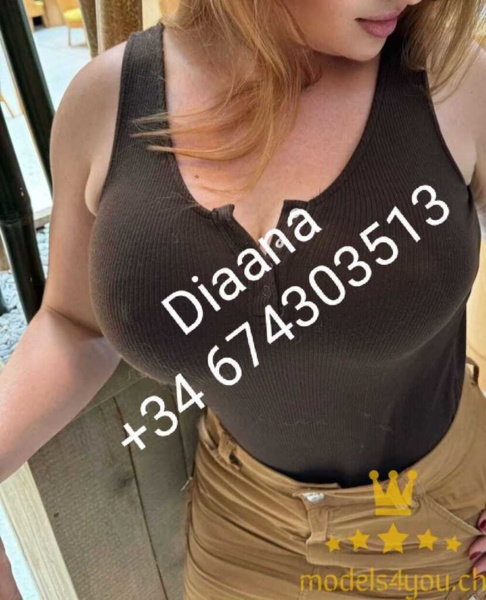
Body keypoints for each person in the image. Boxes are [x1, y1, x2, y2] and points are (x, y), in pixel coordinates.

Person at [1, 0, 486, 598]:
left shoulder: (453, 82)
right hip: (242, 527)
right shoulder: (103, 105)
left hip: (440, 520)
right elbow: (74, 323)